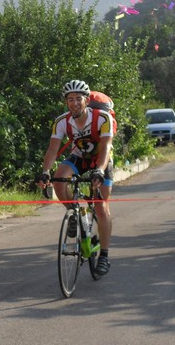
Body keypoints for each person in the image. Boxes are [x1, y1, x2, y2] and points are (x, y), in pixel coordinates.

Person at [38, 80, 114, 276]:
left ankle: (104, 255)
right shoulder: (62, 122)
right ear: (66, 102)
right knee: (58, 179)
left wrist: (99, 170)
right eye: (70, 100)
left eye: (78, 99)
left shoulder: (102, 118)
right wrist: (45, 172)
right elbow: (53, 149)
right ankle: (75, 212)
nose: (74, 103)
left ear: (86, 100)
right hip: (79, 158)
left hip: (101, 161)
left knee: (101, 206)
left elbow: (105, 147)